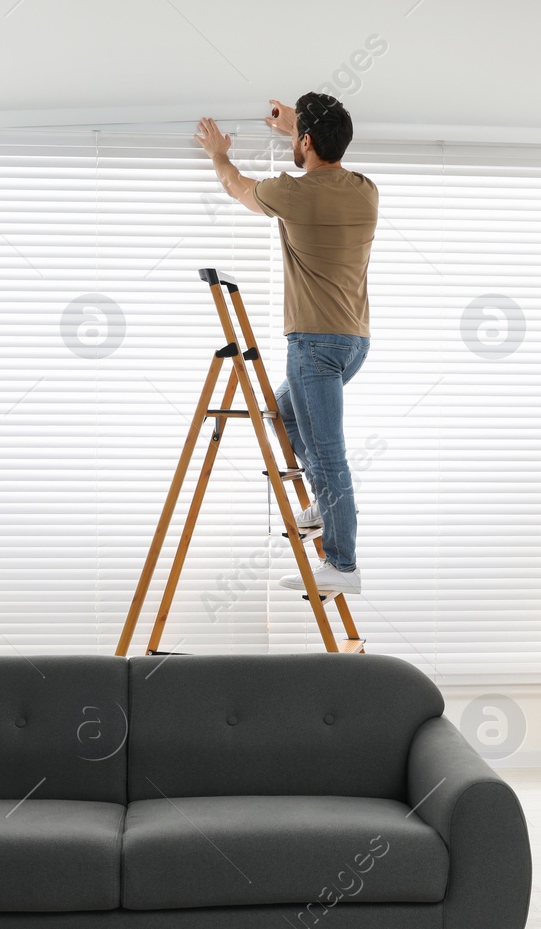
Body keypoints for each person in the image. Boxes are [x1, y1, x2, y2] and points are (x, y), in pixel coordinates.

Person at [194, 94, 378, 595]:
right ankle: (324, 504)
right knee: (284, 414)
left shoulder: (292, 194)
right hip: (353, 343)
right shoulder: (365, 191)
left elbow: (235, 186)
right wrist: (302, 129)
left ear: (307, 142)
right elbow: (326, 158)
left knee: (330, 451)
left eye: (299, 138)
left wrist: (217, 152)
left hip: (314, 345)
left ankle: (342, 566)